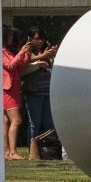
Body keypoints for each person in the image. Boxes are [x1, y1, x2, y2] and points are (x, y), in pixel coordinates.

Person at [21, 29, 57, 159]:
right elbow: (22, 66)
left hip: (48, 92)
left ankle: (49, 152)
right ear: (30, 38)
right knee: (34, 123)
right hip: (33, 92)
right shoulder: (26, 51)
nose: (39, 41)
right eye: (36, 38)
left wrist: (54, 56)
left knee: (49, 123)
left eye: (41, 39)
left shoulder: (47, 51)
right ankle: (33, 152)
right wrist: (41, 58)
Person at [0, 27, 31, 160]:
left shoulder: (8, 51)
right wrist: (21, 52)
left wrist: (26, 53)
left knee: (6, 121)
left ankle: (7, 152)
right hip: (7, 90)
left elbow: (20, 66)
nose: (11, 39)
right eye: (10, 36)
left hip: (14, 89)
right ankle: (12, 151)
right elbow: (10, 66)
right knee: (16, 120)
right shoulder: (0, 52)